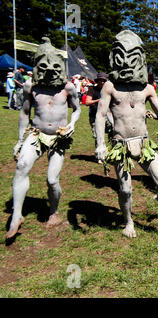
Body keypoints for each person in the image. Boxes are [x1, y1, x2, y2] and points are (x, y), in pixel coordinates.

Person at [95, 30, 158, 238]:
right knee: (126, 189)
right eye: (123, 57)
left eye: (133, 57)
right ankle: (128, 222)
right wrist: (100, 144)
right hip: (121, 145)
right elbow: (101, 115)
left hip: (144, 145)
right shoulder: (110, 87)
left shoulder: (147, 88)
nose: (128, 63)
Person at [6, 38, 81, 239]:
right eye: (43, 65)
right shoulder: (31, 85)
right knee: (22, 165)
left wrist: (72, 124)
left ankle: (53, 212)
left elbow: (77, 109)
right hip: (36, 133)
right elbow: (24, 113)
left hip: (58, 137)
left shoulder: (68, 87)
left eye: (54, 66)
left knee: (52, 180)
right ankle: (16, 215)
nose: (49, 70)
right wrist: (20, 140)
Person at [85, 72, 113, 149]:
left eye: (104, 80)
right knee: (98, 136)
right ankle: (99, 155)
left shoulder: (109, 90)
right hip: (95, 116)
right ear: (97, 81)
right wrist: (99, 100)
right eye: (100, 80)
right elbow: (87, 102)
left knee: (113, 132)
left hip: (107, 116)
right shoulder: (92, 89)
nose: (102, 82)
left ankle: (111, 151)